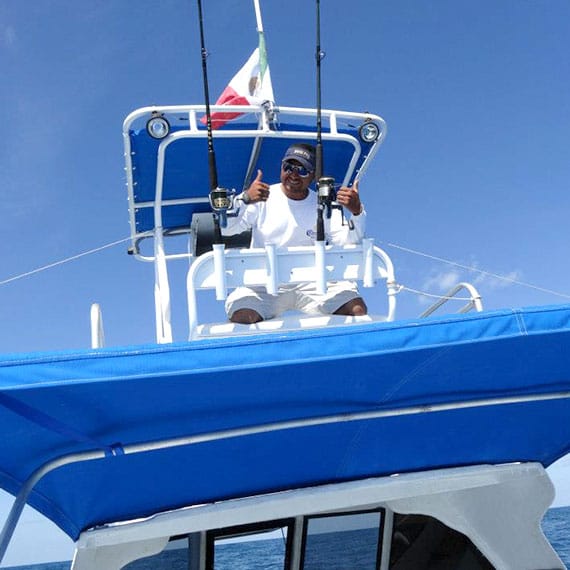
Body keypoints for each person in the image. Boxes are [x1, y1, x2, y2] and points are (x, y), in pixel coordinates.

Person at [222, 142, 368, 324]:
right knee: (242, 317)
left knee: (357, 310)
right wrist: (244, 199)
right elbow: (226, 229)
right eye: (289, 167)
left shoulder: (325, 203)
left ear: (313, 176)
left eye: (302, 170)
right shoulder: (259, 196)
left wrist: (356, 212)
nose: (294, 174)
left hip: (315, 284)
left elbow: (347, 243)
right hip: (263, 286)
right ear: (281, 167)